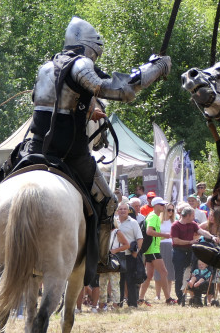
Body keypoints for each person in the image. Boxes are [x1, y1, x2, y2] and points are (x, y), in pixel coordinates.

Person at [22, 16, 171, 284]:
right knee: (108, 203)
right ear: (89, 47)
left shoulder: (46, 67)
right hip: (68, 152)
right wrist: (156, 68)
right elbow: (121, 90)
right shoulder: (81, 64)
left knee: (3, 180)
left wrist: (89, 111)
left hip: (34, 148)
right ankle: (103, 258)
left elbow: (56, 105)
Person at [171, 204, 204, 306]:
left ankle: (193, 296)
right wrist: (190, 242)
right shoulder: (175, 226)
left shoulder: (193, 224)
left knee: (193, 272)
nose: (194, 217)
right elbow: (176, 240)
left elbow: (201, 231)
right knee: (179, 276)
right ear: (188, 215)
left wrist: (211, 236)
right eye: (193, 215)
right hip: (178, 252)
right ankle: (180, 297)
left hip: (190, 252)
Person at [138, 197, 169, 305]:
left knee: (149, 275)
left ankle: (140, 298)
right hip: (153, 250)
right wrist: (164, 235)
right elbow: (149, 232)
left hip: (151, 250)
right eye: (162, 205)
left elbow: (153, 235)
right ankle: (168, 298)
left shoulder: (153, 216)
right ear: (155, 205)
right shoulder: (153, 216)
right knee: (164, 272)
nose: (164, 207)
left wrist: (164, 237)